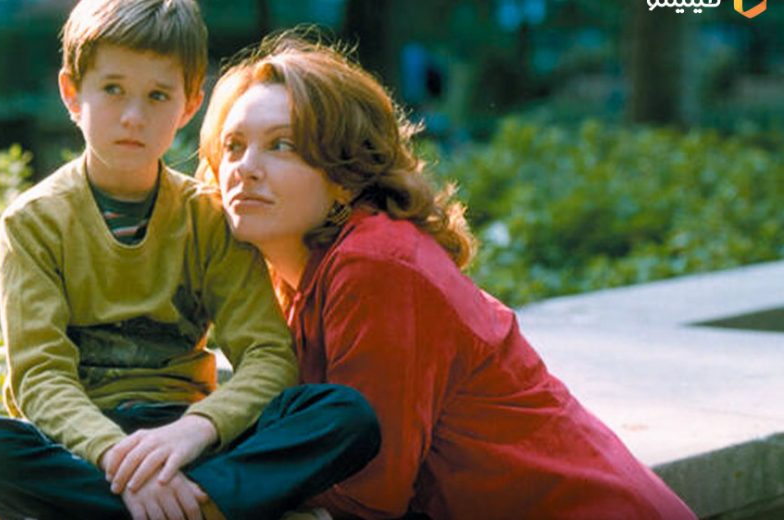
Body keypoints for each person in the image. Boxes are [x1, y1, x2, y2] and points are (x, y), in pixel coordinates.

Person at [197, 31, 698, 520]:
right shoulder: (299, 278)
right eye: (233, 146)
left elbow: (368, 490)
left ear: (345, 175)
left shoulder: (374, 264)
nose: (245, 168)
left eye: (282, 145)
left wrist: (198, 486)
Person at [0, 3, 380, 519]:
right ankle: (199, 505)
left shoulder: (208, 217)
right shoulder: (33, 223)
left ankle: (166, 504)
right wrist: (116, 457)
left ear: (189, 104)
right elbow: (41, 376)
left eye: (157, 96)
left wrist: (194, 431)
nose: (133, 116)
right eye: (113, 89)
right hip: (83, 444)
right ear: (71, 92)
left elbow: (267, 355)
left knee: (345, 415)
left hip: (189, 436)